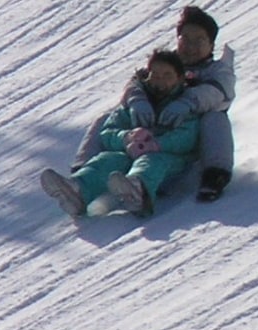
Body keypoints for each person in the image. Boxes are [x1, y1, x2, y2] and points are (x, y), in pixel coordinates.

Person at [39, 50, 204, 219]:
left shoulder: (184, 106)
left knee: (151, 160)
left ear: (180, 78)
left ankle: (139, 192)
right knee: (109, 159)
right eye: (155, 75)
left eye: (167, 75)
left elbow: (188, 138)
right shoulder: (137, 103)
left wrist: (157, 144)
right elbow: (108, 133)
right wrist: (126, 138)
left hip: (172, 164)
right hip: (131, 158)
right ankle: (77, 190)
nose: (160, 80)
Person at [175, 6, 238, 202]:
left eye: (199, 40)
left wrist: (185, 102)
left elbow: (217, 93)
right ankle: (85, 173)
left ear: (211, 46)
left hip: (197, 139)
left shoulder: (219, 70)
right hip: (160, 132)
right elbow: (137, 86)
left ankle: (215, 175)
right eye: (185, 39)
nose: (191, 46)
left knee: (215, 118)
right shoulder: (165, 65)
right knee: (111, 119)